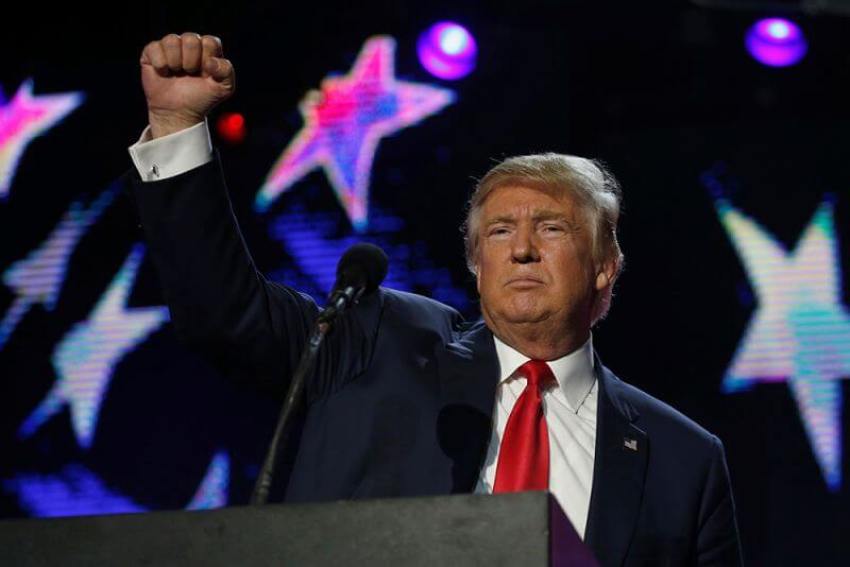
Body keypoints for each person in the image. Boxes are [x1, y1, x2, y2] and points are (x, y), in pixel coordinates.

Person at [127, 33, 743, 566]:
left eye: (552, 228)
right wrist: (179, 129)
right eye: (499, 231)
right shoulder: (377, 337)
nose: (522, 249)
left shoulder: (683, 458)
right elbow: (223, 314)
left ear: (606, 266)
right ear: (476, 264)